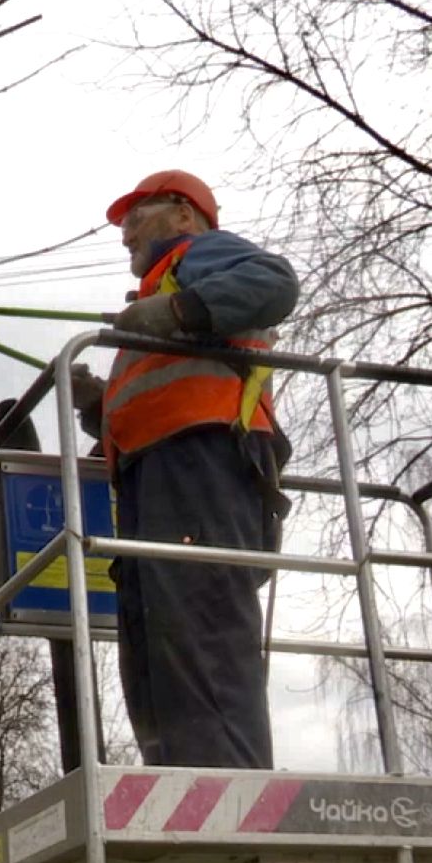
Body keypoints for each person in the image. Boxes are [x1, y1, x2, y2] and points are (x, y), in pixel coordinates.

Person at [69, 169, 297, 773]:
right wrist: (98, 405)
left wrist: (176, 310)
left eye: (135, 219)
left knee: (200, 628)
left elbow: (275, 283)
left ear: (183, 216)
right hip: (160, 477)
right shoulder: (154, 308)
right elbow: (158, 403)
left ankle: (230, 789)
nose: (125, 237)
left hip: (206, 467)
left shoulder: (198, 256)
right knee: (156, 638)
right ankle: (180, 781)